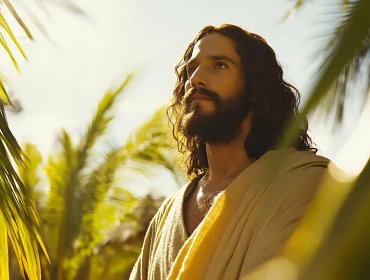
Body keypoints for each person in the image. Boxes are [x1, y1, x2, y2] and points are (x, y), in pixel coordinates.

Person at [130, 23, 329, 280]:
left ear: (255, 88)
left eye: (220, 65)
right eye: (192, 69)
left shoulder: (303, 183)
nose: (196, 79)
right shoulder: (166, 216)